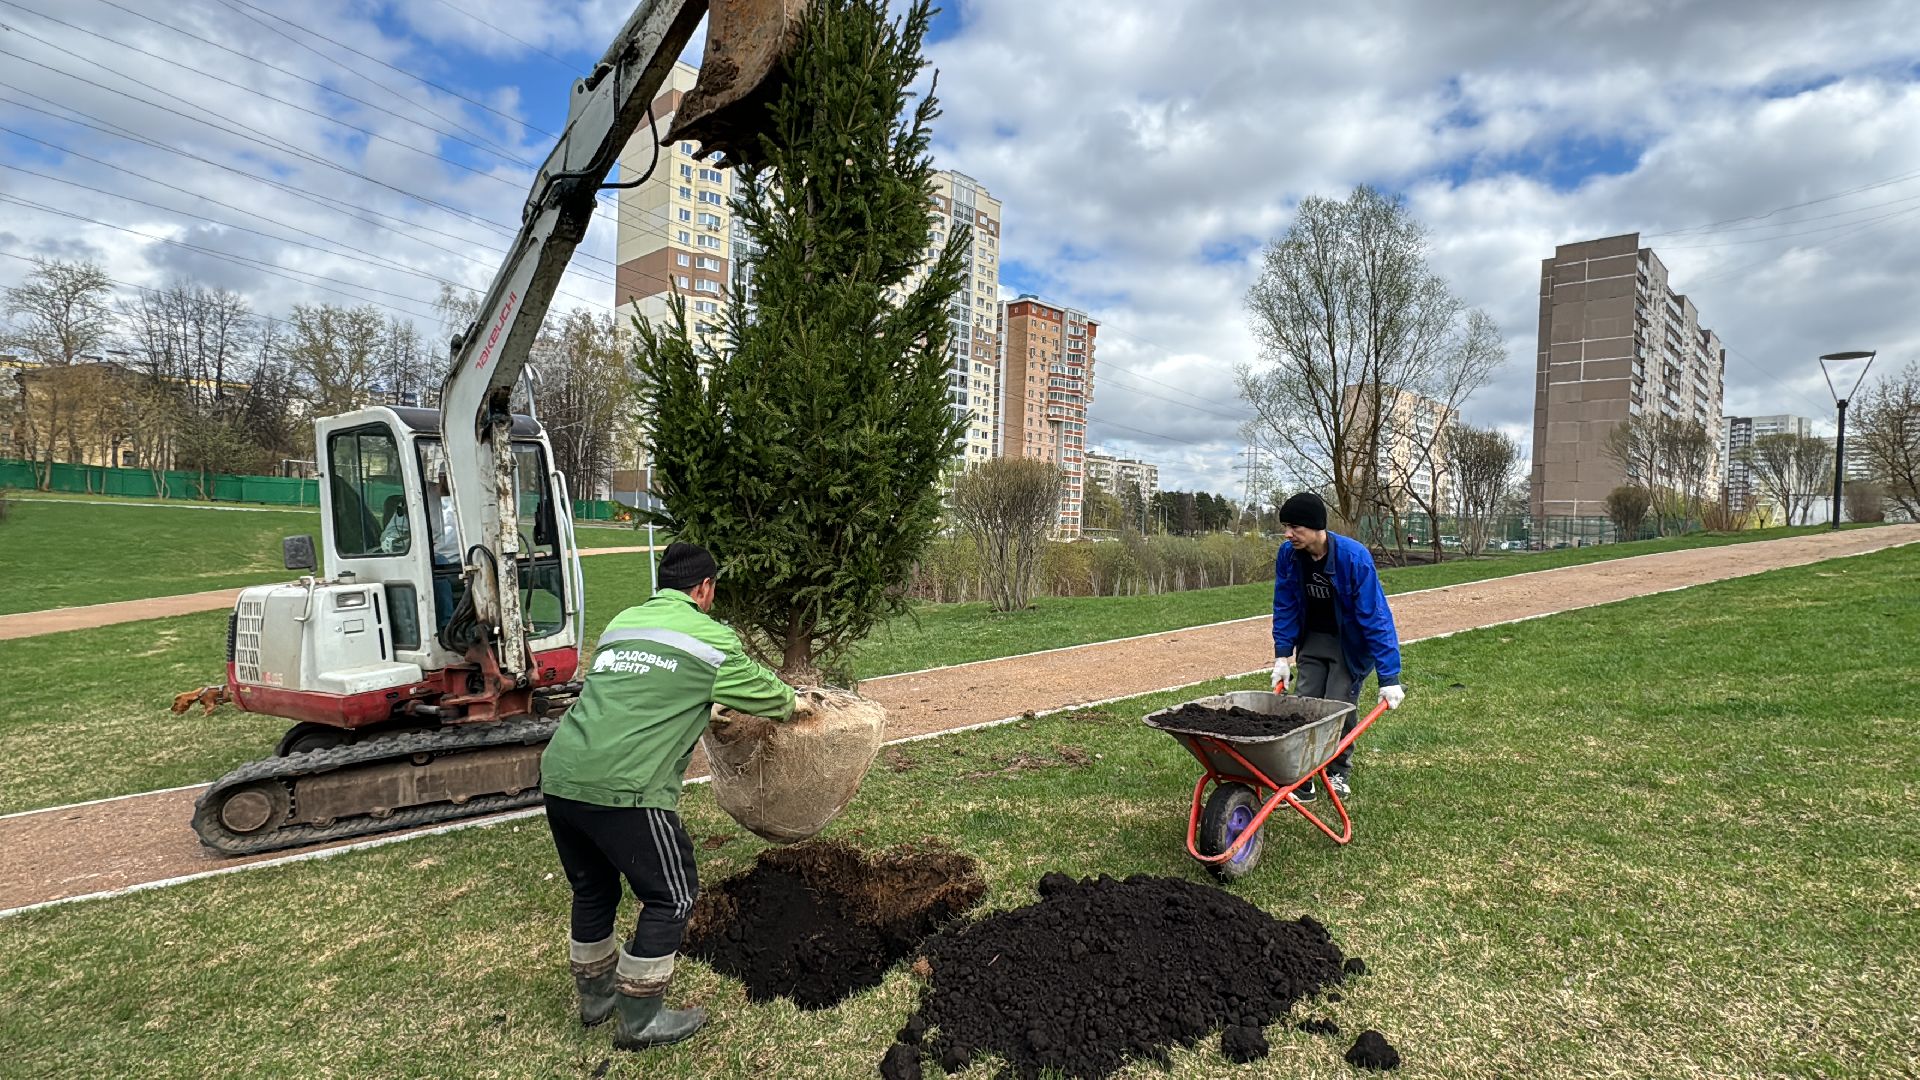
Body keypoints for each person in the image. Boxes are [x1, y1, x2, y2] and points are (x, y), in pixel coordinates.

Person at [538, 542, 800, 1051]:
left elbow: (638, 688)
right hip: (626, 787)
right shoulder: (710, 636)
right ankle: (640, 1019)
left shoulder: (623, 623)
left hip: (562, 776)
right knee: (672, 895)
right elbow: (772, 697)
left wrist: (698, 699)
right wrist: (798, 703)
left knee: (593, 889)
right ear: (705, 588)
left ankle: (595, 998)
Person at [1268, 492, 1404, 801]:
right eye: (1286, 527)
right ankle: (1304, 778)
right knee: (1304, 704)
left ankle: (1337, 771)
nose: (1288, 534)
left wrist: (1389, 677)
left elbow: (1376, 616)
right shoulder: (1289, 555)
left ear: (1316, 527)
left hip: (1349, 643)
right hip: (1314, 638)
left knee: (1337, 706)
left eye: (1295, 527)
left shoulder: (1353, 558)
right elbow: (1285, 604)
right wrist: (1282, 656)